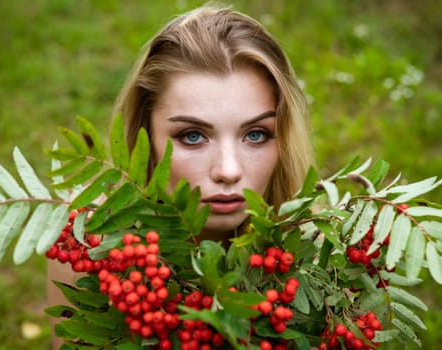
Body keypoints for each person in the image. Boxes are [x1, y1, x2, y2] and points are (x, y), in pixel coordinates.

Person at [47, 4, 314, 348]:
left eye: (256, 134)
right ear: (146, 138)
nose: (229, 170)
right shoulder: (91, 246)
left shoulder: (313, 261)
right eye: (192, 136)